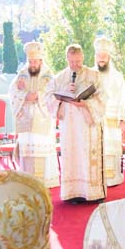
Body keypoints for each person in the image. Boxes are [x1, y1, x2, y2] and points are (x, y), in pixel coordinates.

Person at [43, 43, 106, 203]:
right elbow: (48, 97)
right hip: (70, 126)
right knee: (73, 157)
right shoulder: (60, 77)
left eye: (78, 61)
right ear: (67, 59)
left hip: (87, 125)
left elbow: (103, 97)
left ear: (83, 57)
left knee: (87, 157)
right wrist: (63, 93)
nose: (75, 65)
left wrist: (86, 103)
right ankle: (74, 193)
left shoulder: (94, 75)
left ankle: (93, 193)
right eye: (72, 62)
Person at [8, 41, 56, 185]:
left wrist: (38, 96)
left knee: (41, 151)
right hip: (26, 121)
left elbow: (53, 94)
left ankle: (44, 182)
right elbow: (12, 92)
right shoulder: (22, 75)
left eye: (35, 61)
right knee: (27, 152)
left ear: (41, 60)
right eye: (30, 61)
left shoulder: (48, 76)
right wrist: (24, 96)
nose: (33, 64)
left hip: (42, 119)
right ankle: (27, 182)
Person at [93, 37, 125, 190]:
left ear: (109, 57)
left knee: (111, 150)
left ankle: (113, 178)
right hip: (95, 121)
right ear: (95, 57)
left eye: (104, 56)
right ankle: (97, 179)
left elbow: (124, 98)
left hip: (112, 122)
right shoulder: (90, 75)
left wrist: (123, 119)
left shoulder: (117, 76)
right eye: (99, 56)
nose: (101, 59)